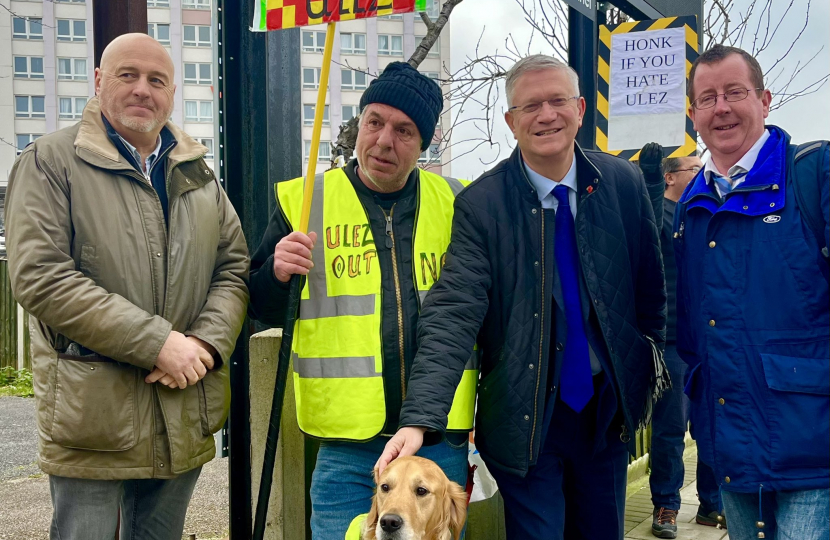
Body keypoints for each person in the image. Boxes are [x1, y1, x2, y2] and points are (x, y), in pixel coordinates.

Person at [377, 54, 666, 539]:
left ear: (580, 108)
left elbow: (650, 293)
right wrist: (420, 418)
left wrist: (646, 370)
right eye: (530, 106)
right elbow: (452, 314)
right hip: (525, 420)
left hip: (605, 417)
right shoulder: (481, 205)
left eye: (557, 101)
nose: (546, 115)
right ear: (511, 121)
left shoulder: (623, 183)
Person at [4, 33, 249, 540]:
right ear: (98, 82)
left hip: (181, 409)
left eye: (156, 80)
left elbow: (233, 268)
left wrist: (203, 344)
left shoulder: (200, 176)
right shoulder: (50, 161)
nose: (143, 89)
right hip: (94, 422)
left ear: (172, 93)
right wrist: (157, 344)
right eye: (127, 75)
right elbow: (41, 276)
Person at [247, 62, 476, 540]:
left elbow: (482, 312)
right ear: (359, 125)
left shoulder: (458, 204)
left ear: (425, 143)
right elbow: (261, 305)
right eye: (374, 122)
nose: (384, 140)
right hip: (348, 448)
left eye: (404, 130)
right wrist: (274, 274)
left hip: (436, 442)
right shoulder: (306, 201)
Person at [674, 44, 829, 540]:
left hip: (813, 451)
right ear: (693, 115)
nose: (721, 107)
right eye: (707, 98)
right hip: (733, 449)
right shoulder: (692, 209)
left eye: (734, 92)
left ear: (764, 100)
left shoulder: (813, 174)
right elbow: (692, 331)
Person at [638, 145, 723, 538]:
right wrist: (651, 181)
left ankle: (712, 504)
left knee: (712, 424)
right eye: (692, 168)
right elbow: (646, 231)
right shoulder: (660, 217)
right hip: (671, 342)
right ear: (670, 177)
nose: (700, 172)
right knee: (671, 429)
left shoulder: (700, 213)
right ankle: (666, 506)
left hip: (707, 340)